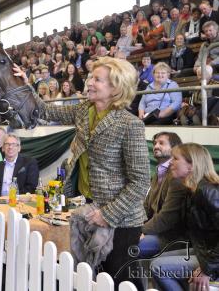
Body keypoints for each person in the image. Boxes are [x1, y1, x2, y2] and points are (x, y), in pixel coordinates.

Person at [14, 57, 150, 290]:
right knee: (92, 278)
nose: (89, 83)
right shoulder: (83, 110)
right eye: (90, 78)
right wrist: (26, 85)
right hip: (90, 208)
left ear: (116, 88)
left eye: (97, 79)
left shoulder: (130, 124)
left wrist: (108, 214)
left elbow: (140, 181)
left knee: (119, 281)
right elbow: (45, 109)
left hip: (122, 221)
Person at [151, 143, 219, 291]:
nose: (171, 162)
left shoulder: (207, 192)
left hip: (214, 259)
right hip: (204, 251)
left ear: (191, 166)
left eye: (175, 159)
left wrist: (207, 270)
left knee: (158, 267)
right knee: (157, 260)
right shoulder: (192, 189)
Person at [139, 132, 186, 258]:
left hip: (171, 235)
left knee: (130, 246)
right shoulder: (159, 171)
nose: (155, 146)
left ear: (175, 148)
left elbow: (166, 218)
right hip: (156, 229)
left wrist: (141, 230)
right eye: (154, 143)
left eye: (161, 143)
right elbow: (146, 207)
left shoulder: (176, 176)